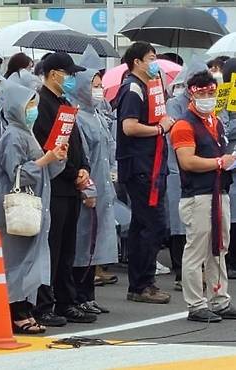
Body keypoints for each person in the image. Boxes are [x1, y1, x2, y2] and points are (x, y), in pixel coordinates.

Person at [0, 80, 67, 334]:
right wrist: (46, 159)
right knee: (15, 261)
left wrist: (56, 159)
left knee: (28, 261)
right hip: (13, 211)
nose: (33, 108)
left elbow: (44, 171)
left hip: (31, 206)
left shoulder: (27, 133)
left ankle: (23, 309)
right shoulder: (12, 136)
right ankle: (16, 312)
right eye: (29, 104)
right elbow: (17, 174)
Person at [32, 52, 94, 326]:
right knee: (52, 248)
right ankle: (44, 305)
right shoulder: (41, 104)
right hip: (53, 185)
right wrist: (72, 172)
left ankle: (66, 300)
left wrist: (83, 169)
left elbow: (75, 142)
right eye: (68, 74)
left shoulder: (65, 102)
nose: (71, 78)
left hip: (70, 184)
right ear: (55, 73)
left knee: (67, 247)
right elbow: (48, 145)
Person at [170, 70, 236, 322]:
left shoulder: (216, 122)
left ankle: (219, 299)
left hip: (219, 191)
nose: (208, 98)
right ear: (191, 94)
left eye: (212, 93)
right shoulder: (184, 125)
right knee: (196, 251)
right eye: (204, 93)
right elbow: (187, 161)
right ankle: (196, 303)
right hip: (197, 196)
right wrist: (220, 161)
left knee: (219, 249)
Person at [115, 41, 175, 304]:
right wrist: (160, 129)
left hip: (151, 164)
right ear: (137, 62)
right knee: (153, 224)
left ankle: (140, 284)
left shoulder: (149, 87)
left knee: (143, 225)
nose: (155, 63)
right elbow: (129, 127)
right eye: (151, 58)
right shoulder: (132, 89)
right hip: (139, 166)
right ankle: (143, 284)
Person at [67, 68, 118, 315]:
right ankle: (77, 296)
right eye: (93, 86)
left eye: (100, 85)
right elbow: (82, 157)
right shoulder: (77, 117)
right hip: (87, 189)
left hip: (103, 187)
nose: (98, 90)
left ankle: (88, 295)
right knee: (81, 244)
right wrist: (87, 188)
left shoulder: (97, 114)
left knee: (94, 245)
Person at [165, 58, 209, 290]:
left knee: (199, 226)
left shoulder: (208, 106)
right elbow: (174, 132)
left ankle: (200, 271)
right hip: (177, 167)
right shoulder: (175, 103)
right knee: (180, 225)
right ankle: (181, 273)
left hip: (202, 169)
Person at [221, 58, 236, 279]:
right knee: (231, 216)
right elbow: (222, 129)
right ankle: (231, 261)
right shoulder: (222, 97)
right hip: (228, 162)